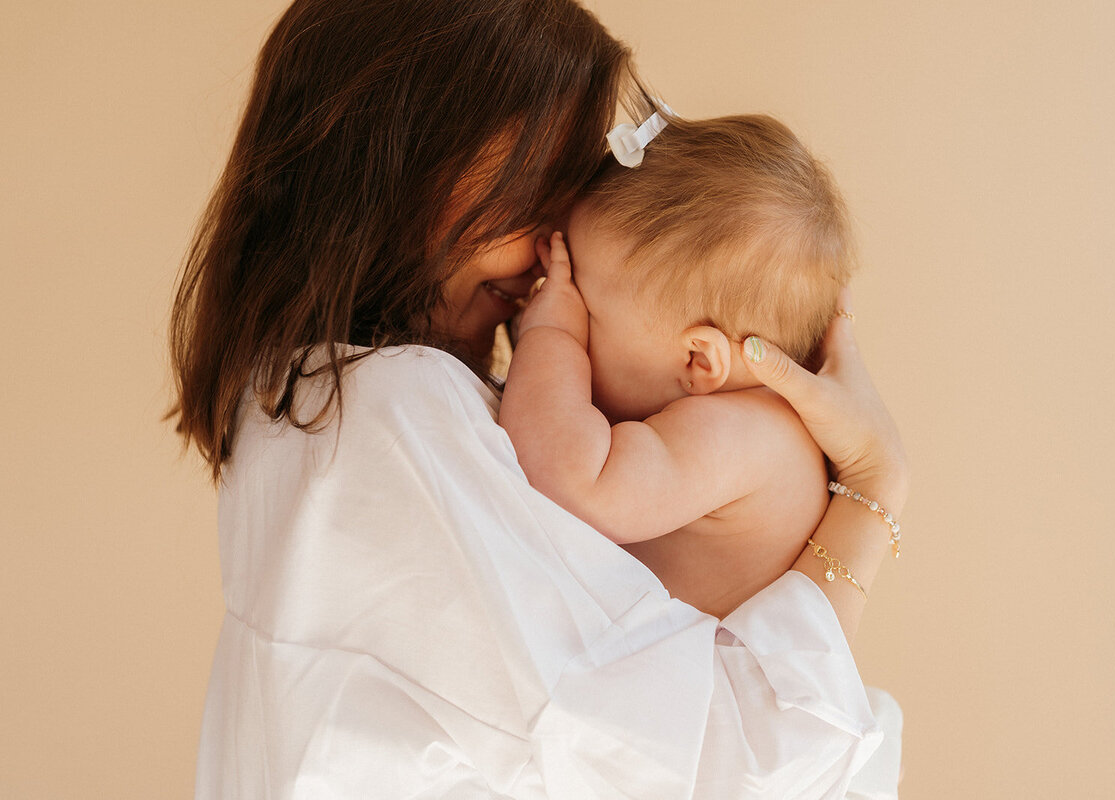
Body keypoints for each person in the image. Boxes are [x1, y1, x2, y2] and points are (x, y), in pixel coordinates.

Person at [169, 0, 908, 796]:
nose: (552, 260)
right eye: (535, 194)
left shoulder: (305, 399)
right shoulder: (386, 412)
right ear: (411, 168)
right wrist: (873, 490)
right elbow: (742, 768)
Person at [500, 113, 865, 620]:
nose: (553, 299)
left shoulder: (738, 434)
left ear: (697, 360)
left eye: (580, 299)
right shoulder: (755, 419)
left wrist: (552, 335)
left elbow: (574, 481)